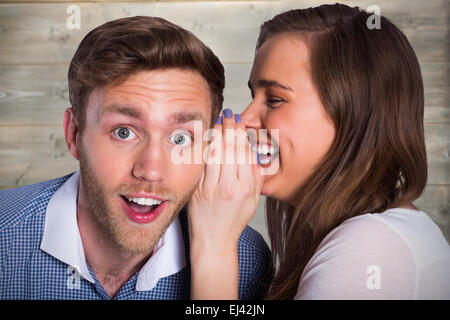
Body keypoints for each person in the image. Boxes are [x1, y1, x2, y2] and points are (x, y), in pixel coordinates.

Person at [189, 4, 450, 299]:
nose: (246, 118)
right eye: (253, 96)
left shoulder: (370, 249)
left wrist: (214, 247)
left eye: (274, 99)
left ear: (354, 115)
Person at [0, 16, 272, 300]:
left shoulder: (246, 262)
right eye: (124, 132)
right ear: (74, 134)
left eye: (181, 138)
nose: (152, 170)